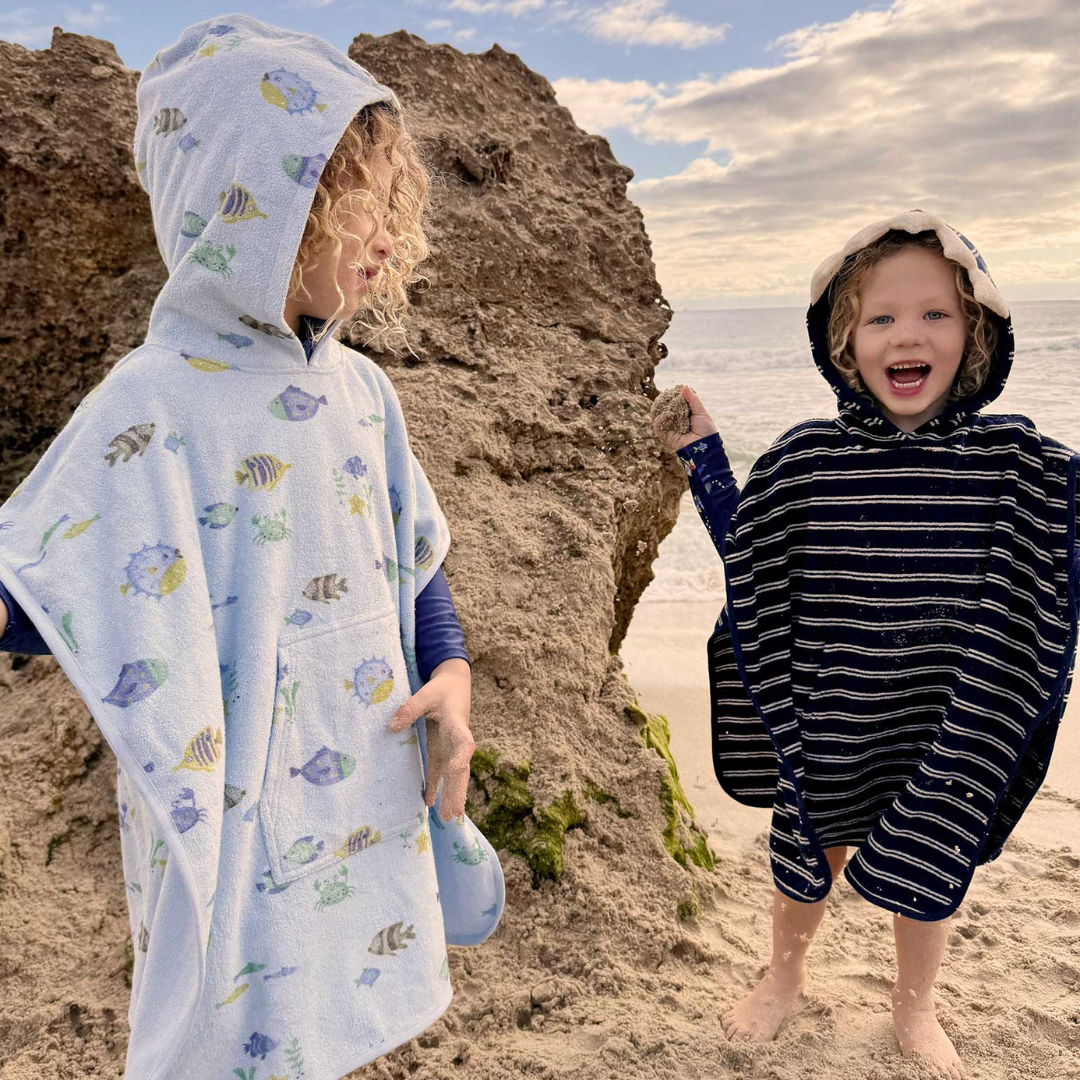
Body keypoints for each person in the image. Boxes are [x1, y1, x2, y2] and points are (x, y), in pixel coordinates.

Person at [0, 14, 503, 1080]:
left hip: (364, 781)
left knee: (345, 1000)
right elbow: (50, 590)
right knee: (232, 1031)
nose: (381, 237)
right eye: (351, 204)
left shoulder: (363, 393)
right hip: (236, 809)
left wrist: (451, 669)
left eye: (390, 207)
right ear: (254, 208)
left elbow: (408, 560)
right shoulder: (156, 400)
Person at [651, 210, 1080, 1080]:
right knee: (809, 851)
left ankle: (913, 1003)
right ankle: (786, 975)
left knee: (931, 856)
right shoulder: (810, 458)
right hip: (831, 705)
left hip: (945, 714)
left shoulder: (1018, 461)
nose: (907, 335)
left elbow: (1058, 550)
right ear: (842, 340)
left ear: (977, 332)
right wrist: (705, 459)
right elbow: (756, 557)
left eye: (935, 314)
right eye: (879, 318)